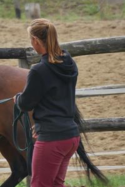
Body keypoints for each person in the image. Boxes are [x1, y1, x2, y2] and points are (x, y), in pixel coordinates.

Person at [13, 18, 80, 187]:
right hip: (71, 136)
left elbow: (26, 103)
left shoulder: (39, 70)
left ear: (35, 41)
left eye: (31, 39)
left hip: (53, 139)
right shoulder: (69, 63)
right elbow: (55, 98)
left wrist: (17, 99)